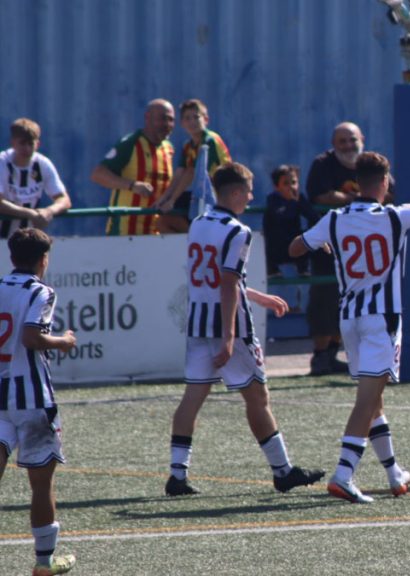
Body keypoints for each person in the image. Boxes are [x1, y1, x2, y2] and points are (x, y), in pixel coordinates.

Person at [289, 144, 410, 503]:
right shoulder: (394, 216)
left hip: (349, 318)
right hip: (381, 318)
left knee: (373, 399)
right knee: (366, 401)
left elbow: (295, 248)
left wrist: (326, 245)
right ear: (383, 182)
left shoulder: (335, 218)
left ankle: (395, 473)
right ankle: (343, 474)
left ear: (357, 183)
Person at [165, 162, 324, 497]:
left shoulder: (198, 223)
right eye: (248, 191)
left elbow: (220, 281)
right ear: (235, 192)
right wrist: (229, 336)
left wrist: (259, 297)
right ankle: (283, 471)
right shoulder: (238, 231)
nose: (251, 197)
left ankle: (176, 475)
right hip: (230, 325)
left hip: (198, 322)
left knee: (193, 396)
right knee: (257, 396)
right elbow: (225, 284)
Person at [0, 228, 77, 575]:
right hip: (31, 399)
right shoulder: (41, 292)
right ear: (43, 260)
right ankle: (44, 562)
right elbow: (32, 337)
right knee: (41, 483)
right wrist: (63, 341)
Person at [304, 122, 365, 375]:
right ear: (333, 144)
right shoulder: (323, 164)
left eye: (352, 140)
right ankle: (320, 356)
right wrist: (356, 199)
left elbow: (390, 192)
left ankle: (334, 353)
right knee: (324, 297)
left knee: (350, 299)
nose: (349, 146)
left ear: (362, 138)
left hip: (361, 246)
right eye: (343, 141)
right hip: (328, 244)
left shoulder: (370, 163)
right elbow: (320, 196)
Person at [91, 99, 175, 236]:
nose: (167, 125)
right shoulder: (131, 144)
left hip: (156, 233)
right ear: (147, 118)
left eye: (171, 120)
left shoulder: (168, 148)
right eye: (162, 119)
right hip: (125, 232)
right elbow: (98, 174)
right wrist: (132, 185)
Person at [155, 99, 232, 234]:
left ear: (206, 120)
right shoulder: (187, 146)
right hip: (205, 192)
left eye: (196, 117)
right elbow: (179, 174)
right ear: (182, 124)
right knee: (163, 221)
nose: (192, 122)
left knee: (175, 211)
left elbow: (193, 173)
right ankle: (192, 240)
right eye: (187, 118)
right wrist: (163, 198)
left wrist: (171, 200)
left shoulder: (209, 141)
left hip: (220, 194)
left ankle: (197, 238)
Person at [0, 118, 72, 239]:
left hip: (28, 239)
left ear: (37, 144)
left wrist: (49, 211)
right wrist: (29, 214)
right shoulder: (2, 162)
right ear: (13, 143)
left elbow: (64, 200)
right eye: (22, 143)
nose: (27, 148)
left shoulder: (42, 163)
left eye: (30, 144)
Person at [263, 165, 318, 277]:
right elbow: (283, 216)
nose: (291, 187)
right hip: (277, 244)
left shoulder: (300, 198)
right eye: (286, 184)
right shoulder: (273, 200)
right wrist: (294, 203)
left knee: (307, 237)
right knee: (267, 242)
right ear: (276, 186)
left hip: (294, 241)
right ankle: (273, 270)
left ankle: (303, 269)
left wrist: (302, 204)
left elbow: (313, 216)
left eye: (294, 182)